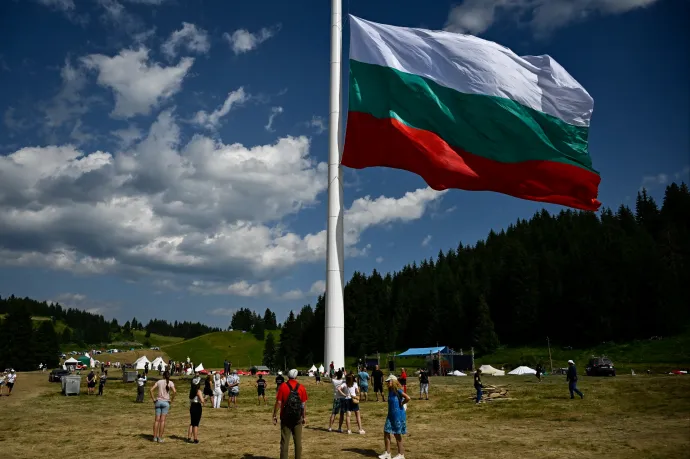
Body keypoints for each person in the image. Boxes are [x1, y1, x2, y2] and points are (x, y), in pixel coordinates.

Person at [273, 369, 308, 459]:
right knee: (298, 442)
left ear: (288, 376)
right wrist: (304, 417)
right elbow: (303, 405)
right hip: (297, 418)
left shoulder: (283, 386)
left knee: (284, 442)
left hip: (285, 417)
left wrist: (274, 414)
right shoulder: (301, 387)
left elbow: (279, 402)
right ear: (296, 376)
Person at [379, 375, 410, 459]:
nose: (388, 383)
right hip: (391, 415)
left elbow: (408, 398)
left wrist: (402, 403)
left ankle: (401, 454)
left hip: (398, 416)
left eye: (389, 381)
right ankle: (387, 453)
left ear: (394, 381)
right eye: (387, 382)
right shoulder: (390, 391)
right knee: (386, 431)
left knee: (397, 434)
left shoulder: (397, 390)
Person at [150, 370, 176, 443]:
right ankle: (160, 437)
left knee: (156, 420)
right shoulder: (170, 382)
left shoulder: (159, 381)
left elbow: (151, 390)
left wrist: (153, 399)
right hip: (166, 402)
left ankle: (154, 437)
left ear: (163, 376)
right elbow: (175, 391)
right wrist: (171, 400)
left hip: (158, 402)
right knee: (162, 421)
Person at [187, 376, 205, 444]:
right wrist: (204, 399)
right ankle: (195, 439)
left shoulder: (191, 390)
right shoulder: (198, 391)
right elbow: (202, 400)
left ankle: (189, 437)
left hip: (192, 406)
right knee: (196, 424)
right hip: (197, 406)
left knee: (192, 422)